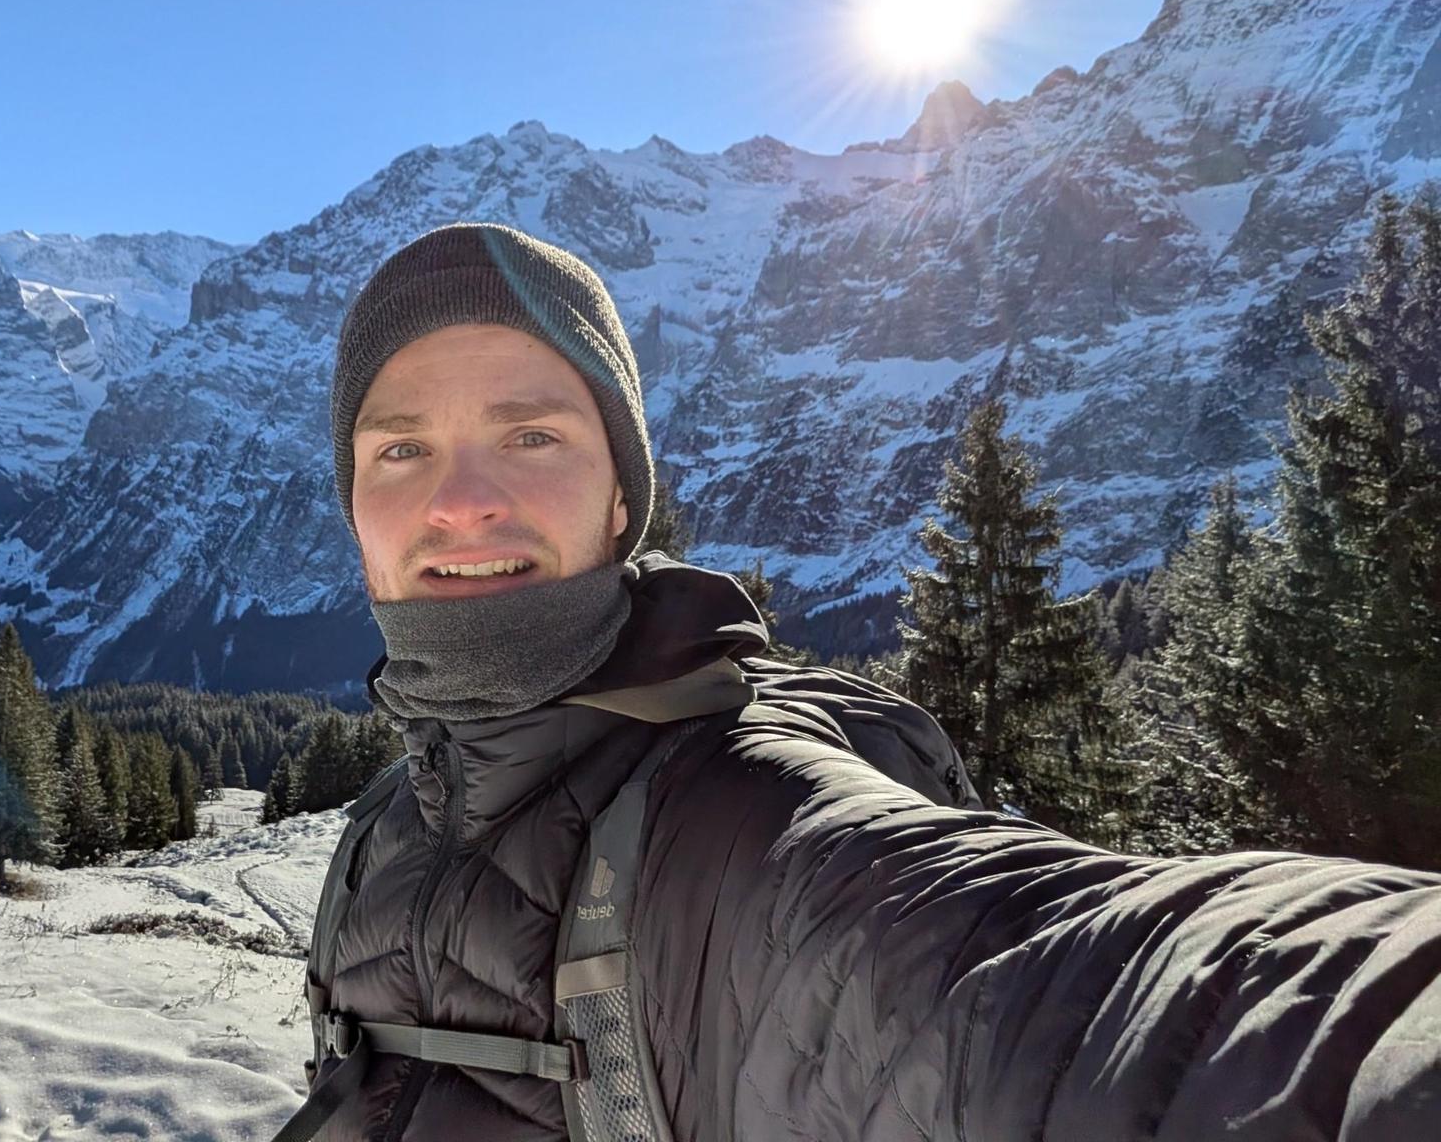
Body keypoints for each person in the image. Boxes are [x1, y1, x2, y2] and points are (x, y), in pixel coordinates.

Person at [278, 221, 1441, 1142]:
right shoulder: (386, 826)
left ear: (623, 498)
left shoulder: (739, 824)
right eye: (401, 448)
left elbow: (1078, 995)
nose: (459, 501)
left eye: (530, 436)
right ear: (351, 504)